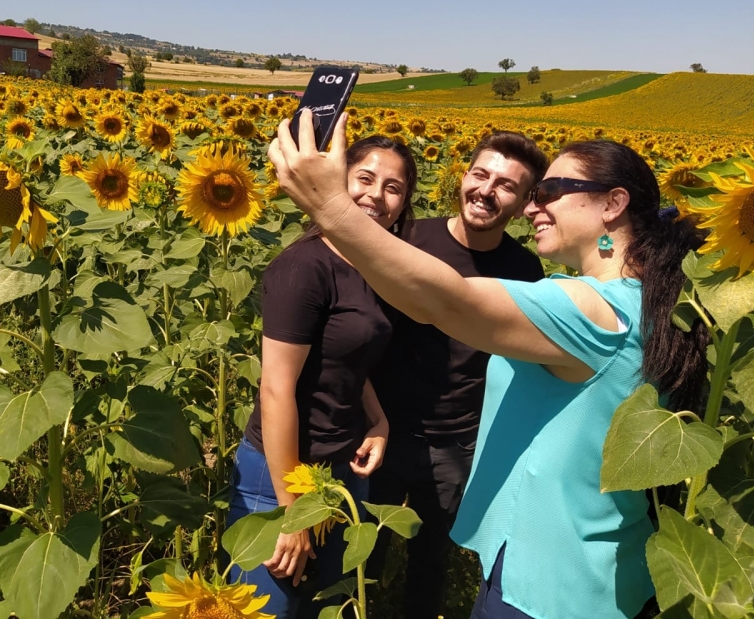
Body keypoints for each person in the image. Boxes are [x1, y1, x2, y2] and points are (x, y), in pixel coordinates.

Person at [269, 112, 708, 619]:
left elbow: (450, 303)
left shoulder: (591, 307)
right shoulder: (654, 302)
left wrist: (332, 206)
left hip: (549, 582)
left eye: (549, 191)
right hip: (595, 564)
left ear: (613, 203)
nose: (533, 207)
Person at [228, 135, 419, 619]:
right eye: (366, 179)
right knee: (266, 607)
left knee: (323, 602)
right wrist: (292, 509)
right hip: (282, 475)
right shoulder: (304, 266)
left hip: (342, 471)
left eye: (394, 188)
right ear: (337, 180)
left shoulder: (376, 268)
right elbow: (275, 389)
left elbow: (350, 361)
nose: (377, 195)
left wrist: (378, 422)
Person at [368, 131, 547, 619]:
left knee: (430, 560)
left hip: (457, 440)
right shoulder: (406, 237)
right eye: (481, 174)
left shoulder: (525, 271)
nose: (487, 190)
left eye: (506, 186)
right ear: (463, 176)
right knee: (362, 549)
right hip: (378, 429)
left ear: (524, 202)